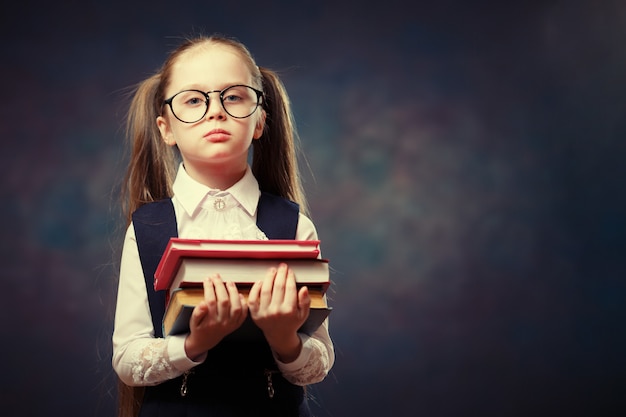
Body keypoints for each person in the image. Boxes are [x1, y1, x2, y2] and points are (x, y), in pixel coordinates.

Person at [112, 34, 335, 417]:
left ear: (261, 119)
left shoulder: (294, 225)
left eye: (233, 97)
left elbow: (318, 363)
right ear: (166, 129)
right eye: (194, 100)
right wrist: (195, 343)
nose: (216, 111)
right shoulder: (147, 228)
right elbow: (128, 358)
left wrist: (284, 339)